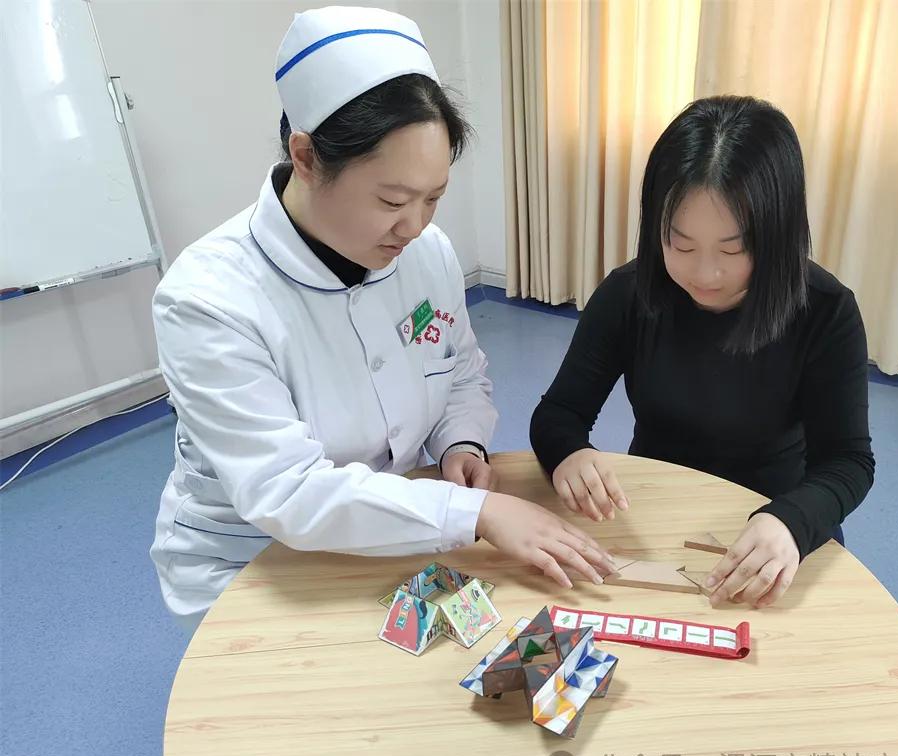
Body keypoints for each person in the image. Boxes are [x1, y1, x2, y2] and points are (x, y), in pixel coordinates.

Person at [152, 6, 613, 633]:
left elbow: (459, 371)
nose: (415, 226)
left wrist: (460, 442)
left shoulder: (426, 253)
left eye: (434, 198)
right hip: (253, 561)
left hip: (395, 527)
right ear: (306, 156)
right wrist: (473, 514)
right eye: (392, 200)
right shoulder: (209, 299)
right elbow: (287, 493)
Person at [530, 95, 875, 609]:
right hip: (653, 516)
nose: (705, 274)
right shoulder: (630, 293)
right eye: (682, 244)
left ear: (778, 233)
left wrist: (790, 521)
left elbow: (848, 462)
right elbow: (559, 413)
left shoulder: (825, 310)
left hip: (774, 524)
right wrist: (570, 453)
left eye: (733, 249)